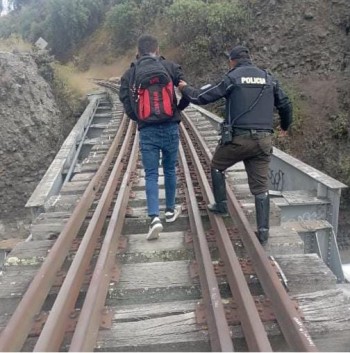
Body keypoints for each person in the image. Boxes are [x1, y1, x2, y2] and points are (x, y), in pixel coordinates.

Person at [178, 45, 292, 245]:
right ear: (250, 58)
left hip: (238, 140)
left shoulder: (232, 78)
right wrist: (284, 126)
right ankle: (263, 232)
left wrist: (184, 88)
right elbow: (285, 104)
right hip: (263, 141)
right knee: (260, 188)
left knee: (217, 166)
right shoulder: (268, 78)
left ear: (232, 61)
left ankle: (221, 206)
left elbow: (200, 97)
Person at [119, 34, 189, 240]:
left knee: (150, 173)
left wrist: (140, 117)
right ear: (157, 50)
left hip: (147, 130)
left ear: (138, 52)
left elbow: (125, 101)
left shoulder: (130, 74)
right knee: (169, 168)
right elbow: (187, 91)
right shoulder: (170, 67)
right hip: (170, 126)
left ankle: (154, 218)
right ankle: (169, 211)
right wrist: (177, 110)